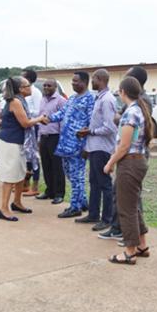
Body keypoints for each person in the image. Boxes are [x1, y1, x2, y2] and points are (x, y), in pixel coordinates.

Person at [98, 66, 154, 241]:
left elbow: (124, 145)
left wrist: (109, 163)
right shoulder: (138, 107)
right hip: (134, 160)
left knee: (128, 206)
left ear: (123, 91)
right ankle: (141, 244)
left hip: (130, 160)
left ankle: (130, 249)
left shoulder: (132, 112)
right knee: (131, 203)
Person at [0, 77, 48, 221]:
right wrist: (40, 118)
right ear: (20, 89)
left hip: (18, 142)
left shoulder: (19, 100)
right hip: (10, 143)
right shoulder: (16, 102)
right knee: (10, 176)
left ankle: (17, 202)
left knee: (20, 173)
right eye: (27, 85)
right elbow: (25, 123)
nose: (30, 87)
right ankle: (4, 209)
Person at [46, 72, 94, 218]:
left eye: (76, 81)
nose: (73, 84)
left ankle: (75, 207)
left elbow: (92, 122)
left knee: (77, 176)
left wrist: (87, 145)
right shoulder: (72, 98)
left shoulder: (90, 99)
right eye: (72, 81)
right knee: (70, 175)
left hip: (78, 145)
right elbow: (61, 114)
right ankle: (83, 202)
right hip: (65, 144)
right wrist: (47, 119)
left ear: (85, 82)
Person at [75, 69, 117, 231]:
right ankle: (93, 214)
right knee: (94, 181)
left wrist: (90, 132)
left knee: (104, 184)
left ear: (100, 79)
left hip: (102, 148)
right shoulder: (99, 97)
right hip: (95, 146)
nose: (91, 82)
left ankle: (106, 218)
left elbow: (110, 127)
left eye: (93, 79)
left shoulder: (107, 100)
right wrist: (89, 131)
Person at [36, 79, 66, 204]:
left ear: (55, 87)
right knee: (46, 165)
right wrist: (39, 137)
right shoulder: (42, 99)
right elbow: (40, 119)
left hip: (55, 137)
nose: (46, 87)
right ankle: (50, 191)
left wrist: (63, 139)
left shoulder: (61, 101)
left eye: (49, 85)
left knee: (57, 166)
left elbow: (64, 121)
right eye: (45, 85)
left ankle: (59, 193)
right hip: (44, 136)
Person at [21, 69, 43, 196]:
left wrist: (25, 114)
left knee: (33, 156)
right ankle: (25, 184)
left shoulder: (35, 92)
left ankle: (35, 186)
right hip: (25, 126)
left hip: (33, 127)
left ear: (28, 79)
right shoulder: (22, 92)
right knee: (25, 157)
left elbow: (38, 111)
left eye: (22, 77)